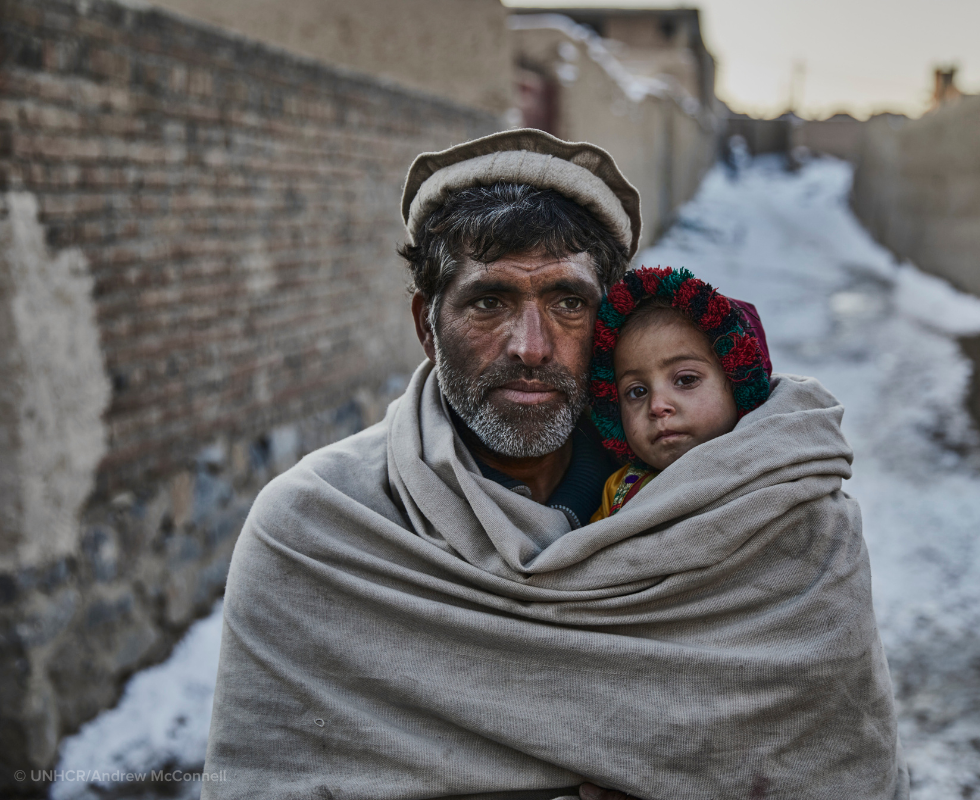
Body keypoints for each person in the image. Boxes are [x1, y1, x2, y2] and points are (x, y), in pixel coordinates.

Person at [201, 129, 907, 800]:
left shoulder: (770, 519)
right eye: (489, 300)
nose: (531, 346)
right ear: (427, 325)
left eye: (568, 301)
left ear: (607, 324)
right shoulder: (318, 536)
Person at [589, 267, 770, 521]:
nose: (657, 406)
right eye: (637, 391)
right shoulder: (619, 493)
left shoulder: (774, 469)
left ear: (739, 384)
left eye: (686, 380)